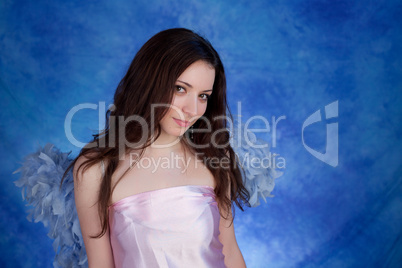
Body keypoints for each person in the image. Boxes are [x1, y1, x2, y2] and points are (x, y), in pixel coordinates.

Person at [68, 28, 250, 268]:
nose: (192, 109)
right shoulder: (96, 169)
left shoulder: (215, 157)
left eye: (203, 96)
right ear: (150, 81)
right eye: (180, 89)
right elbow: (101, 264)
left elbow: (230, 251)